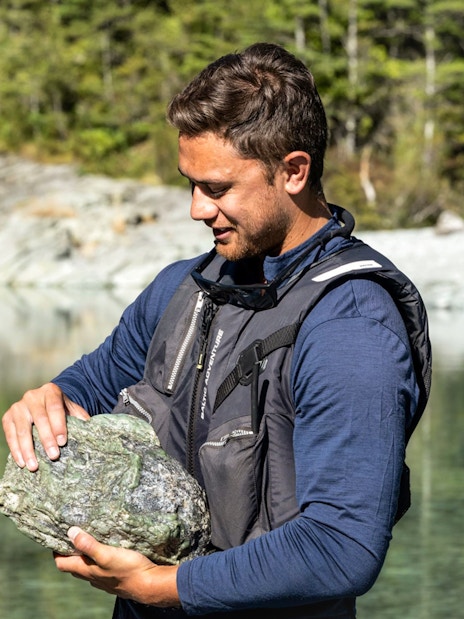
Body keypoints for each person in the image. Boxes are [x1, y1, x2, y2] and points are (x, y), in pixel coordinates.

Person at [2, 42, 431, 619]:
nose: (196, 210)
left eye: (218, 188)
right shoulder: (183, 287)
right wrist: (47, 400)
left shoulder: (351, 325)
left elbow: (342, 546)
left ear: (294, 171)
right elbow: (94, 382)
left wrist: (164, 586)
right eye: (190, 184)